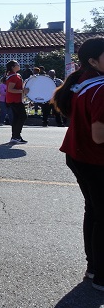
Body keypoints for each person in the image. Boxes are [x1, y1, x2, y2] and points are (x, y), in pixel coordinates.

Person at [52, 37, 104, 290]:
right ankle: (100, 274)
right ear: (93, 61)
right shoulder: (100, 88)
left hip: (79, 155)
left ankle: (93, 269)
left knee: (94, 211)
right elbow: (99, 136)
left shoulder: (82, 82)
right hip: (95, 159)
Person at [5, 60, 28, 144]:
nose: (19, 65)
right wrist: (23, 91)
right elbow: (10, 89)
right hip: (14, 100)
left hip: (13, 99)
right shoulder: (14, 76)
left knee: (17, 118)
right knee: (22, 116)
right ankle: (16, 136)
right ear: (12, 67)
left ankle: (15, 136)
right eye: (17, 64)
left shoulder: (13, 75)